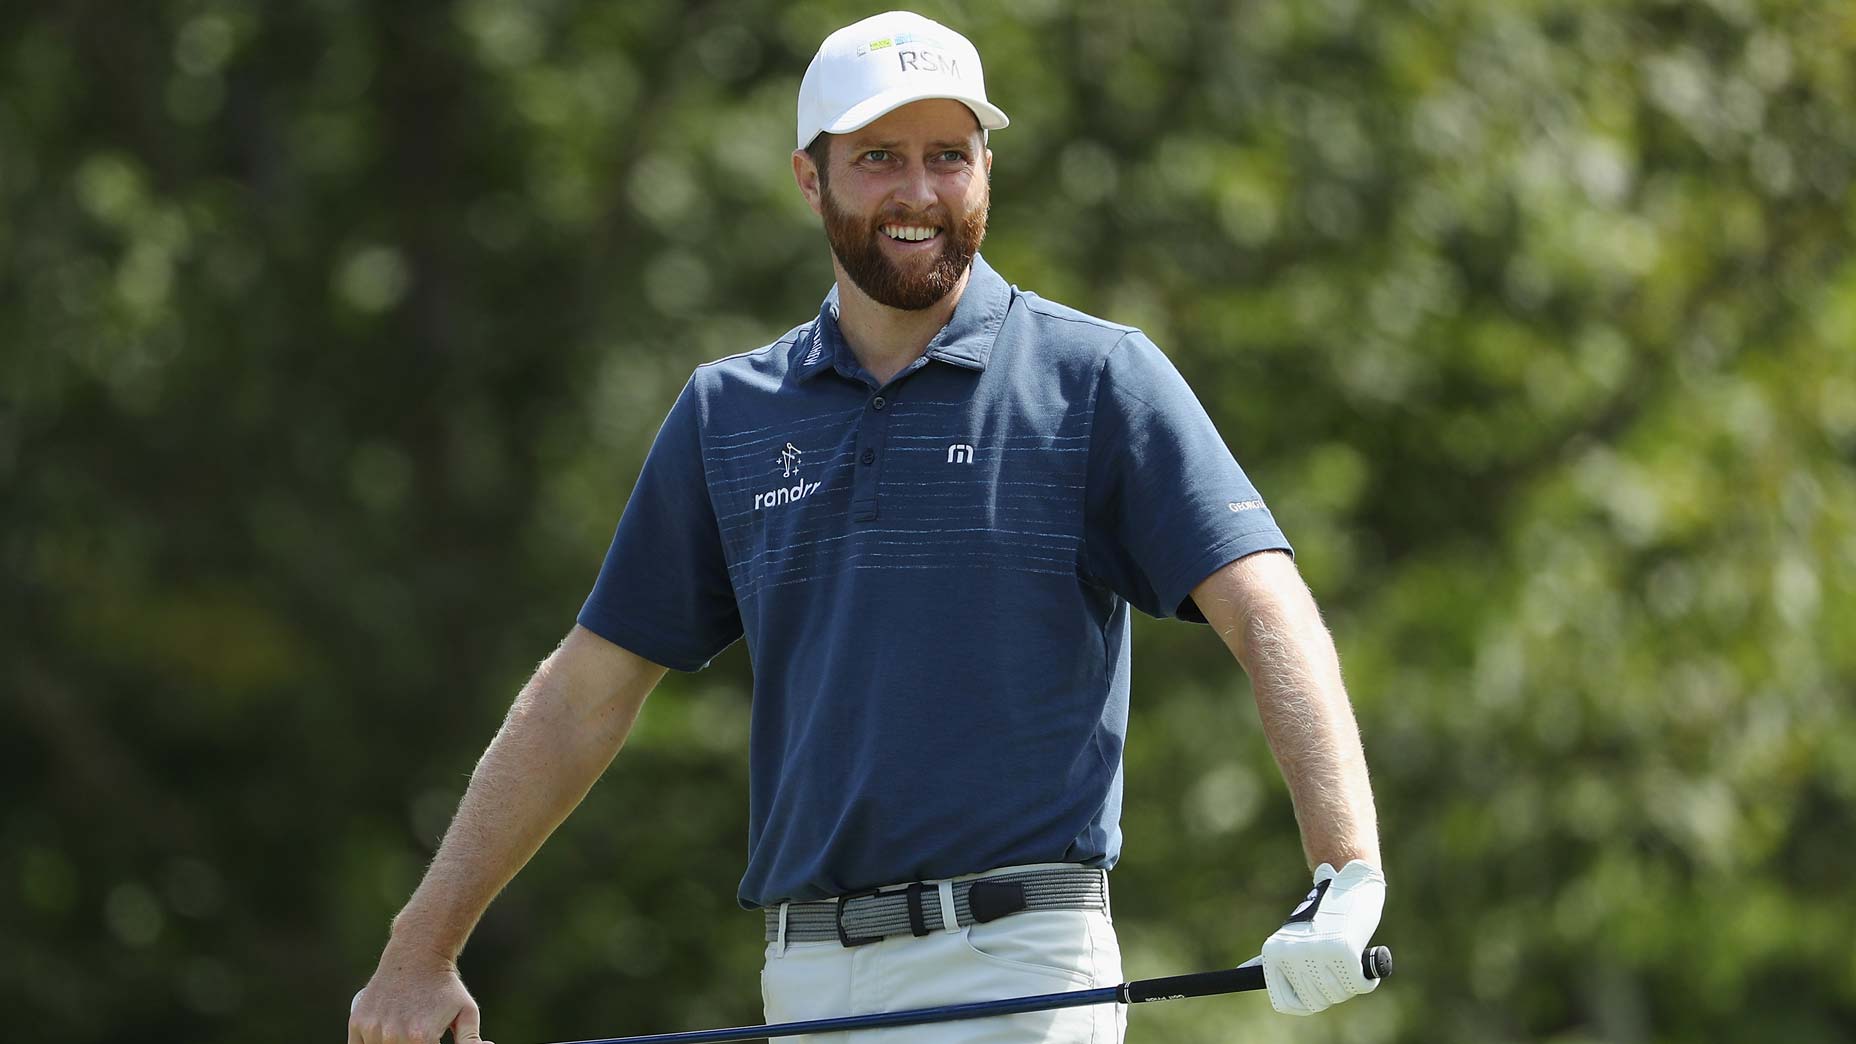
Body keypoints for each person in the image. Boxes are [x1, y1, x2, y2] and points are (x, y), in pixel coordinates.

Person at [347, 11, 1385, 1044]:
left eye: (948, 156)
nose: (919, 193)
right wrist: (419, 950)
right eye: (879, 159)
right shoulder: (728, 412)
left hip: (1021, 968)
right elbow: (582, 696)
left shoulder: (1094, 379)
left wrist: (1343, 869)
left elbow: (1265, 610)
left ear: (986, 167)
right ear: (810, 177)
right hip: (805, 982)